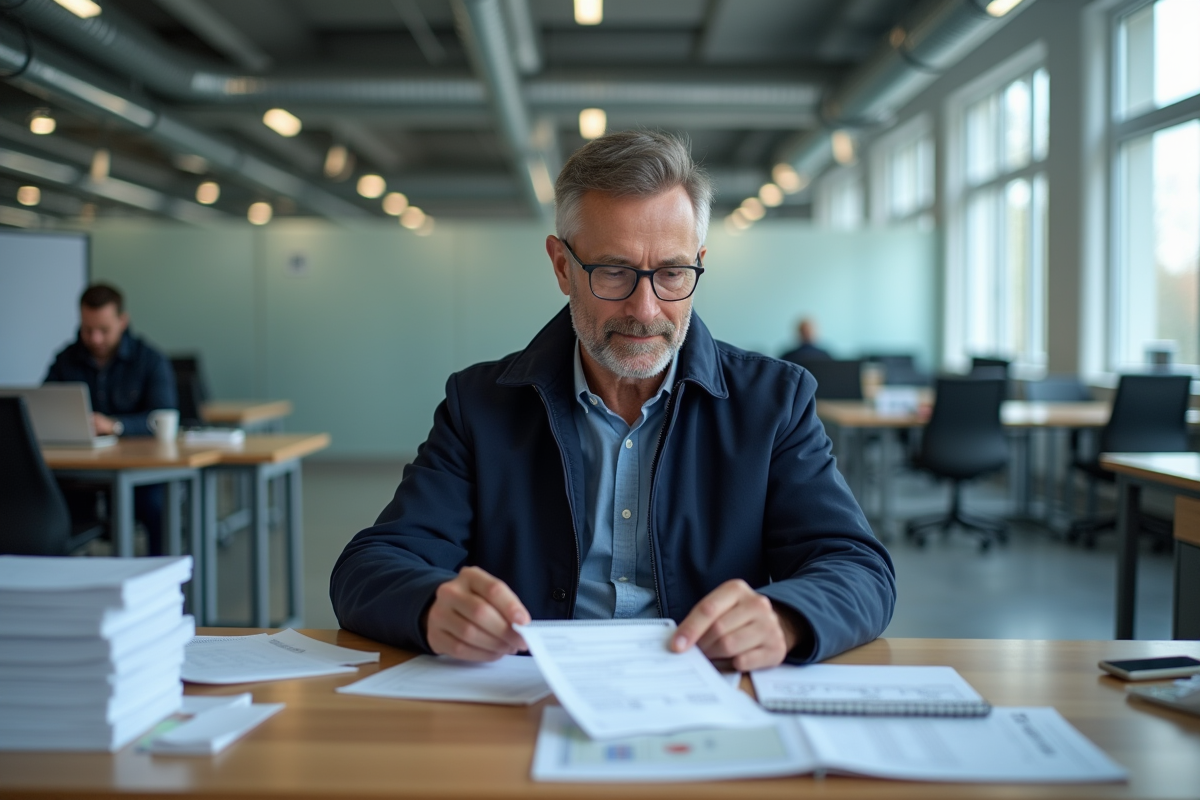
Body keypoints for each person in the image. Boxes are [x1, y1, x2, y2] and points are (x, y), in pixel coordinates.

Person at [331, 131, 894, 671]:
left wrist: (786, 617)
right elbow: (369, 567)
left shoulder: (773, 403)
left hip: (703, 698)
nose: (646, 309)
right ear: (562, 267)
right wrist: (432, 605)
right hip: (528, 700)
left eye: (672, 273)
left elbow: (859, 569)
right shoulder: (480, 406)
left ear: (697, 263)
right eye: (614, 272)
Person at [44, 283, 177, 554]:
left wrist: (116, 425)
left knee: (158, 505)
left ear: (122, 321)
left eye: (103, 330)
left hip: (138, 471)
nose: (95, 339)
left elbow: (163, 418)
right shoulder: (66, 359)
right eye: (87, 329)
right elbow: (42, 407)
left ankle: (161, 581)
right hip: (79, 472)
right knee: (42, 503)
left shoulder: (150, 360)